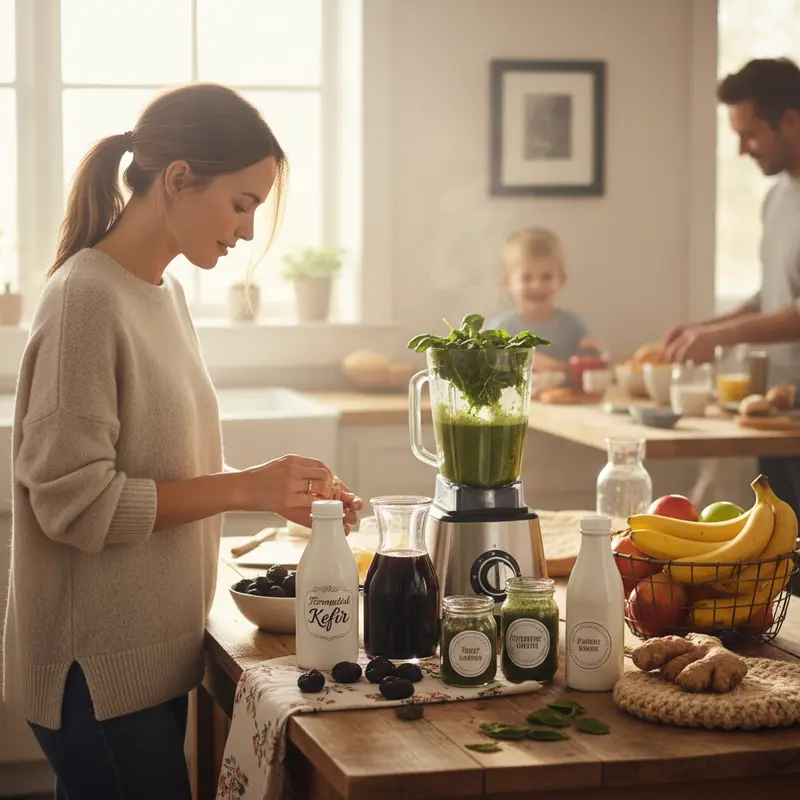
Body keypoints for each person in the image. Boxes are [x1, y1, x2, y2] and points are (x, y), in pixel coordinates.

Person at [1, 83, 362, 800]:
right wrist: (244, 487)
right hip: (96, 671)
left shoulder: (162, 293)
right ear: (177, 178)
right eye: (241, 204)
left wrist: (274, 491)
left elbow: (162, 466)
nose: (248, 232)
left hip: (150, 658)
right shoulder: (84, 299)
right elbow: (75, 503)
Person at [661, 57, 800, 509]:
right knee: (782, 543)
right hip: (775, 411)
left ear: (790, 121)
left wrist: (723, 337)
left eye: (750, 134)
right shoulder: (777, 197)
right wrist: (703, 328)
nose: (742, 149)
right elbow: (771, 297)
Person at [488, 227, 602, 371]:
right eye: (526, 278)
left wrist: (592, 354)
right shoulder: (500, 330)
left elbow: (591, 365)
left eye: (547, 277)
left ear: (561, 280)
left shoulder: (574, 326)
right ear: (507, 282)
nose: (537, 285)